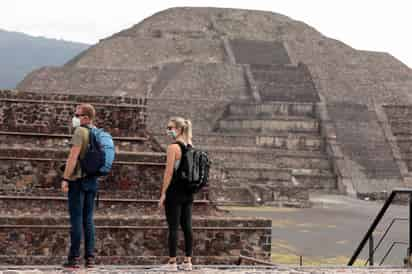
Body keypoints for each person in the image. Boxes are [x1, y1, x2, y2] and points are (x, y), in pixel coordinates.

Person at [61, 103, 98, 268]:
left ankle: (73, 258)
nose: (74, 118)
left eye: (77, 115)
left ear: (86, 117)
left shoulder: (80, 132)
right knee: (88, 220)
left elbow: (72, 158)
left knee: (76, 219)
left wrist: (65, 178)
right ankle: (90, 258)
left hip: (78, 181)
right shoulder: (96, 132)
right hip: (92, 181)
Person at [159, 117, 194, 271]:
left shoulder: (173, 147)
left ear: (179, 129)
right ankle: (188, 261)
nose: (168, 130)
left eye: (170, 127)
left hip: (174, 192)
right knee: (187, 226)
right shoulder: (191, 145)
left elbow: (168, 173)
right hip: (188, 192)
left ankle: (172, 262)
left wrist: (163, 193)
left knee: (173, 227)